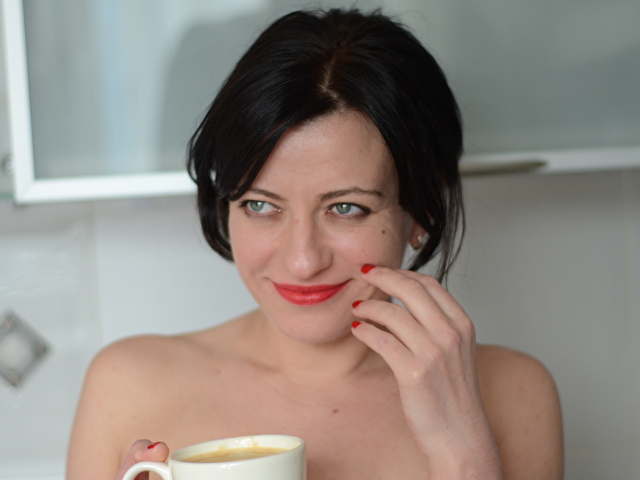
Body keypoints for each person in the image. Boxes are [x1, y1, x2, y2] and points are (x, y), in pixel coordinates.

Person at [67, 8, 563, 480]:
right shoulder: (125, 386)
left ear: (423, 209)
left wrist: (463, 453)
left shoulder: (513, 394)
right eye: (260, 205)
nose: (304, 261)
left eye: (346, 208)